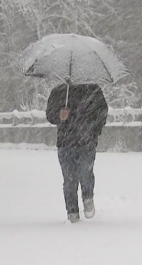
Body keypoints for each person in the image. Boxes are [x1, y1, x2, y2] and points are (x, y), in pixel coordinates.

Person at [46, 83, 108, 223]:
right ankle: (72, 211)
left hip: (86, 142)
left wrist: (93, 132)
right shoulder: (59, 91)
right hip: (65, 143)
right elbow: (49, 114)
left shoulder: (93, 90)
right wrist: (60, 115)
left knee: (85, 173)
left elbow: (102, 113)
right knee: (69, 179)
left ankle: (88, 197)